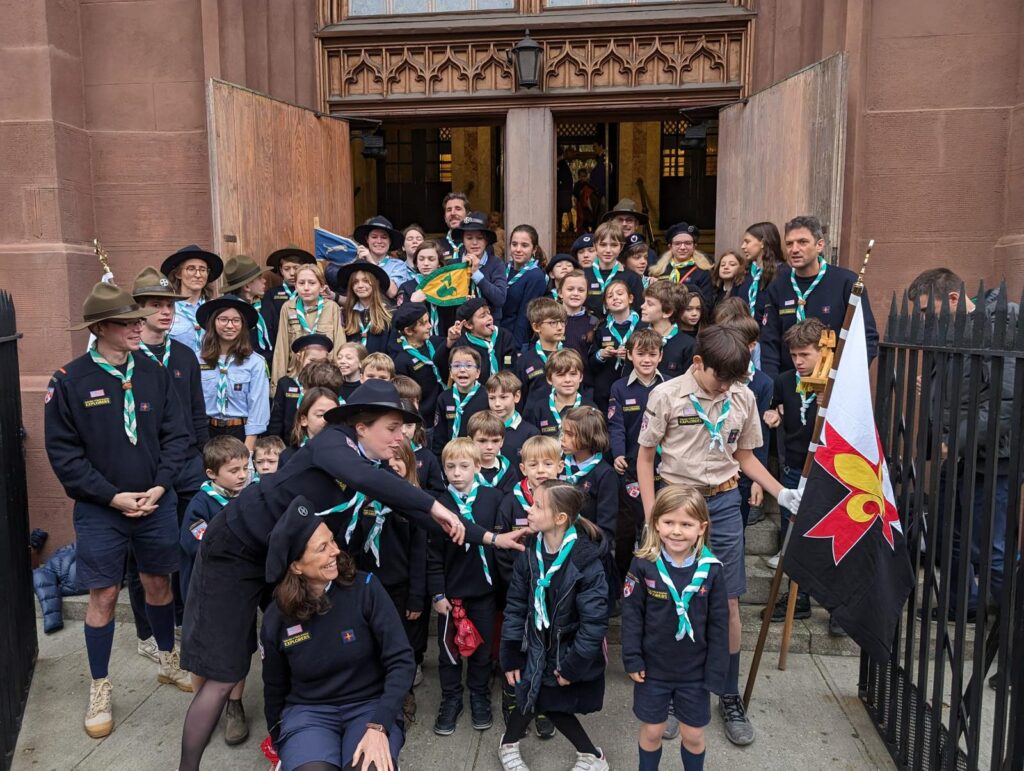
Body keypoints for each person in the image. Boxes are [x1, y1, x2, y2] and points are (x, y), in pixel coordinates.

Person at [178, 380, 527, 770]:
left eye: (403, 430)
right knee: (226, 673)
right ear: (361, 426)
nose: (401, 439)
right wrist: (437, 506)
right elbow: (375, 484)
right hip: (235, 552)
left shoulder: (369, 463)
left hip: (284, 556)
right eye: (392, 429)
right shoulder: (333, 444)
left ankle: (304, 734)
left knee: (303, 637)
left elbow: (409, 508)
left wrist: (492, 538)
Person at [636, 324, 804, 747]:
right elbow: (644, 457)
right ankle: (674, 693)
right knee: (675, 598)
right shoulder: (667, 395)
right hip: (676, 503)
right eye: (720, 377)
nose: (727, 385)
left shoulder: (742, 396)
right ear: (698, 363)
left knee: (728, 602)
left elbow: (744, 455)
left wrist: (782, 493)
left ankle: (727, 693)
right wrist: (651, 515)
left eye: (735, 378)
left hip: (725, 504)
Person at [44, 282, 191, 739]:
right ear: (100, 328)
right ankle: (100, 685)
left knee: (157, 582)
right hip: (101, 509)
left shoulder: (153, 372)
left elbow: (177, 436)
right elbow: (64, 456)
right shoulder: (69, 380)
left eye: (137, 320)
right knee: (103, 596)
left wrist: (160, 486)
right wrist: (111, 496)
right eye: (127, 322)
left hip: (154, 502)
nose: (138, 327)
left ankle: (168, 658)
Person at [261, 496, 415, 771]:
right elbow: (274, 686)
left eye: (332, 540)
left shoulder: (366, 588)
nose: (335, 551)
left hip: (369, 707)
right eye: (322, 548)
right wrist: (279, 740)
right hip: (309, 713)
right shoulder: (277, 617)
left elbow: (402, 659)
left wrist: (381, 725)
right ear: (296, 566)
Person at [907, 268, 1017, 635]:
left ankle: (1013, 633)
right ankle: (963, 605)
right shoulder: (950, 331)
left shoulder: (998, 325)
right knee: (949, 536)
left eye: (926, 311)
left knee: (990, 549)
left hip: (991, 460)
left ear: (953, 299)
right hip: (958, 455)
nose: (922, 320)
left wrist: (955, 439)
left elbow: (1005, 403)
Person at [498, 480, 610, 771]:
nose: (529, 509)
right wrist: (510, 650)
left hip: (565, 651)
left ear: (560, 518)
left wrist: (573, 666)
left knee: (550, 701)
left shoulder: (587, 562)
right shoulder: (530, 551)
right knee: (533, 694)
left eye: (537, 505)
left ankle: (591, 756)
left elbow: (593, 624)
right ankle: (510, 744)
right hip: (533, 644)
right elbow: (516, 605)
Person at [127, 267, 208, 664]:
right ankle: (146, 630)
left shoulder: (183, 353)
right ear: (136, 312)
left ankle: (179, 619)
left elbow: (196, 411)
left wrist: (203, 455)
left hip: (189, 464)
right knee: (144, 552)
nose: (165, 311)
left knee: (189, 543)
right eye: (156, 305)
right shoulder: (126, 356)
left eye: (169, 305)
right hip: (145, 467)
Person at [622, 486, 730, 771]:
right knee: (653, 730)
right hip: (653, 669)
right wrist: (632, 657)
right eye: (669, 522)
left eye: (686, 524)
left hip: (694, 671)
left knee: (693, 734)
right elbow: (632, 614)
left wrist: (717, 671)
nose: (677, 531)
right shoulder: (644, 564)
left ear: (701, 527)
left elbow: (720, 625)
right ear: (655, 522)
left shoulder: (712, 569)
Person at [430, 438, 506, 735]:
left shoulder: (493, 497)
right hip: (451, 594)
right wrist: (437, 593)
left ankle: (478, 694)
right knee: (448, 650)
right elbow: (432, 553)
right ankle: (451, 697)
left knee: (482, 649)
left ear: (478, 466)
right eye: (451, 467)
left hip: (484, 590)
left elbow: (499, 547)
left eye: (464, 466)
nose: (457, 473)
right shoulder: (439, 505)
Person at [178, 435, 250, 745]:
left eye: (246, 468)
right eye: (234, 470)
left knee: (238, 646)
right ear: (212, 474)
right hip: (206, 592)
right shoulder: (201, 503)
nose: (243, 475)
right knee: (202, 652)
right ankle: (201, 709)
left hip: (238, 590)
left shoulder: (249, 495)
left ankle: (234, 705)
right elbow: (197, 544)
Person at [761, 318, 825, 622]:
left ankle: (836, 605)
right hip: (794, 467)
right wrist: (773, 414)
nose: (798, 362)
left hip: (826, 470)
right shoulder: (784, 381)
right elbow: (776, 407)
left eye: (805, 355)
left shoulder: (836, 382)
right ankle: (798, 597)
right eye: (794, 355)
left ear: (822, 352)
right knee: (792, 533)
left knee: (825, 534)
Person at [759, 215, 878, 379]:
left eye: (802, 242)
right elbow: (769, 342)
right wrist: (775, 390)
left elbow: (866, 337)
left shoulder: (846, 282)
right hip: (789, 387)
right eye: (789, 243)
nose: (794, 249)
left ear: (819, 245)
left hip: (833, 386)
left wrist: (846, 380)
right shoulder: (778, 286)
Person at [608, 328, 665, 570]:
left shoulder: (670, 386)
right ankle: (623, 580)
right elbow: (616, 425)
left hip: (664, 467)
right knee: (628, 526)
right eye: (641, 354)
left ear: (660, 356)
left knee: (658, 521)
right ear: (630, 355)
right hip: (631, 467)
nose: (647, 360)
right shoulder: (619, 388)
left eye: (652, 354)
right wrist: (618, 453)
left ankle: (656, 574)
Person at [196, 296, 270, 452]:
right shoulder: (197, 360)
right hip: (206, 431)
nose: (230, 325)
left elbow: (258, 408)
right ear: (213, 323)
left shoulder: (255, 362)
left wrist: (247, 451)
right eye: (223, 319)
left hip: (240, 432)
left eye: (236, 320)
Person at [271, 262, 345, 387]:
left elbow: (339, 344)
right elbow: (281, 347)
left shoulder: (332, 307)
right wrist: (276, 385)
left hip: (325, 377)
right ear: (295, 286)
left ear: (321, 287)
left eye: (312, 283)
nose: (306, 288)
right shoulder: (288, 308)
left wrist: (338, 380)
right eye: (301, 283)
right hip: (296, 375)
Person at [267, 336, 336, 443]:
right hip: (290, 444)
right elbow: (276, 420)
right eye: (312, 360)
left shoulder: (328, 385)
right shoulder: (285, 383)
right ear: (300, 357)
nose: (315, 365)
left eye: (321, 361)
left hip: (321, 443)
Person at [161, 245, 224, 357]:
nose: (198, 275)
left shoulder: (215, 309)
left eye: (203, 269)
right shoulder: (167, 309)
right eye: (191, 269)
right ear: (178, 274)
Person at [392, 302, 447, 425]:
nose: (430, 326)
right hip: (423, 418)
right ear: (409, 331)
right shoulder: (401, 360)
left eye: (429, 321)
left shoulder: (435, 343)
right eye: (424, 324)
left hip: (443, 409)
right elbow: (407, 396)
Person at [590, 278, 640, 413]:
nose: (615, 298)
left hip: (635, 388)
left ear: (630, 298)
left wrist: (631, 358)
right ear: (606, 304)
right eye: (610, 296)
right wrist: (601, 355)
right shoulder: (601, 328)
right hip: (605, 390)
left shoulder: (643, 326)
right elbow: (591, 362)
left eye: (619, 293)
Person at [451, 211, 509, 323]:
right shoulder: (453, 265)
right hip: (461, 327)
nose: (474, 242)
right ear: (462, 240)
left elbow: (500, 299)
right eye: (469, 238)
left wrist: (476, 274)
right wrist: (461, 272)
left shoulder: (496, 264)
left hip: (490, 328)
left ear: (486, 240)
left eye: (480, 238)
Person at [432, 346, 490, 454]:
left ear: (478, 372)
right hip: (452, 457)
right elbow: (439, 436)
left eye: (468, 365)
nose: (462, 370)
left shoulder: (487, 397)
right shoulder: (444, 398)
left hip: (478, 456)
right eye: (457, 365)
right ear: (450, 372)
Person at [524, 349, 593, 438]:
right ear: (549, 379)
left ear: (581, 377)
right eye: (561, 375)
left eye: (573, 374)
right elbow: (532, 444)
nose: (567, 380)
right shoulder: (538, 409)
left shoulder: (590, 409)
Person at [501, 224, 549, 349]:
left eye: (524, 245)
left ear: (534, 249)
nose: (518, 249)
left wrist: (517, 347)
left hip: (515, 339)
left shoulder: (535, 276)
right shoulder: (503, 268)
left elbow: (525, 316)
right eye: (514, 244)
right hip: (497, 334)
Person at [219, 254, 273, 363]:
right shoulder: (228, 309)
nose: (264, 281)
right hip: (241, 365)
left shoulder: (266, 304)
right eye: (260, 278)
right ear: (247, 287)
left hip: (268, 365)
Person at [514, 297, 567, 408]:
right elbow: (520, 397)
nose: (560, 327)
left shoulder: (570, 356)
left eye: (562, 322)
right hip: (533, 421)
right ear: (537, 327)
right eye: (553, 322)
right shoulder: (524, 361)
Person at [452, 298, 517, 384]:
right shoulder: (463, 344)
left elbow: (510, 365)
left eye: (489, 313)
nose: (489, 318)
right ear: (468, 325)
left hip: (504, 388)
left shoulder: (504, 336)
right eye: (483, 316)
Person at [584, 221, 644, 316]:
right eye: (603, 245)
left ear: (621, 247)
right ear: (595, 246)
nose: (608, 250)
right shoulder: (583, 275)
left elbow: (639, 311)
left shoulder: (632, 278)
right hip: (589, 329)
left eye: (614, 245)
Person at [332, 261, 393, 353]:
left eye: (366, 281)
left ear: (375, 283)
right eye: (355, 282)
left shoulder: (389, 314)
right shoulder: (346, 314)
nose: (360, 286)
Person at [640, 279, 695, 379]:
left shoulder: (688, 345)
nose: (642, 306)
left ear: (668, 312)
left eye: (650, 304)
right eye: (644, 302)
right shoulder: (638, 337)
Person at [353, 215, 415, 299]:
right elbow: (351, 298)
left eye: (384, 237)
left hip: (387, 311)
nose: (379, 241)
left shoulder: (398, 265)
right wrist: (335, 296)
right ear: (367, 239)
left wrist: (371, 262)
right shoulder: (357, 262)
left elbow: (392, 292)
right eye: (374, 237)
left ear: (390, 241)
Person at [650, 223, 713, 303]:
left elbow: (707, 304)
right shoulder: (659, 271)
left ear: (694, 247)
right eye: (677, 243)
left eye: (687, 243)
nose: (682, 247)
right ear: (670, 247)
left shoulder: (702, 272)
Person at [485, 371, 539, 464]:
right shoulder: (481, 429)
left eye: (503, 397)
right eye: (492, 398)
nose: (497, 404)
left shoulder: (530, 433)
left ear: (516, 396)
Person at [262, 245, 317, 334]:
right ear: (281, 270)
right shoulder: (271, 294)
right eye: (286, 269)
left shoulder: (312, 292)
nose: (292, 273)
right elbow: (268, 325)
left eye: (296, 268)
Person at [738, 221, 784, 318]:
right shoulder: (744, 274)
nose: (743, 246)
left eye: (747, 242)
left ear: (762, 243)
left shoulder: (782, 273)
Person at [468, 410, 517, 493]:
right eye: (482, 441)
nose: (489, 447)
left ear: (502, 441)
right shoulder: (464, 468)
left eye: (495, 441)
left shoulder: (508, 470)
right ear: (470, 441)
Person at [559, 269, 598, 362]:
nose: (575, 293)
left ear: (586, 294)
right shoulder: (549, 319)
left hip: (583, 375)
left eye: (581, 290)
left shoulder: (593, 322)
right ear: (560, 293)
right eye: (570, 289)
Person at [441, 191, 471, 260]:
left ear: (468, 216)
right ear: (445, 218)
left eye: (458, 209)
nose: (452, 213)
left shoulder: (479, 245)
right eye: (449, 210)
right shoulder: (437, 247)